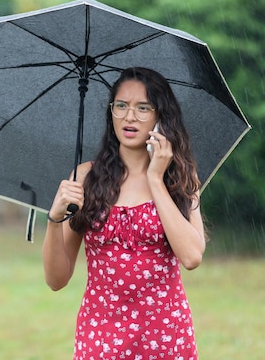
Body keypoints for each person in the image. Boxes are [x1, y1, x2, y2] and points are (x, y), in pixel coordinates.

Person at [42, 67, 205, 360]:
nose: (130, 117)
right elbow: (57, 279)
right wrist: (54, 220)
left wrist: (156, 179)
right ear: (111, 112)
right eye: (121, 106)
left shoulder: (180, 178)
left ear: (160, 117)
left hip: (166, 339)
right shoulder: (84, 178)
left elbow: (192, 256)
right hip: (101, 338)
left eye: (143, 108)